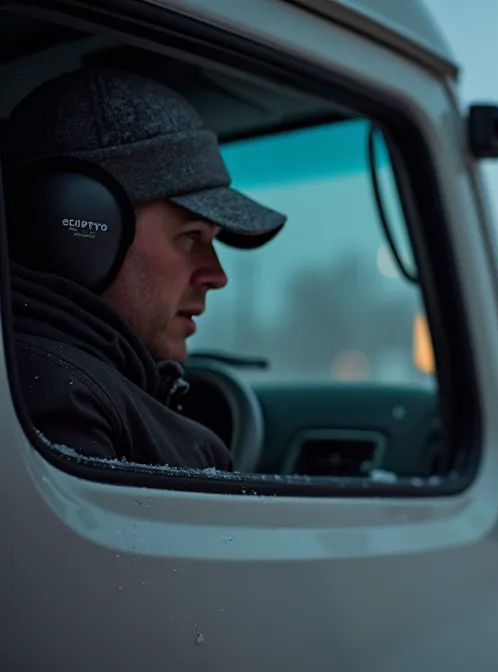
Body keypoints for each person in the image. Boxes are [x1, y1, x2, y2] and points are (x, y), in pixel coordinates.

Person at [2, 68, 286, 470]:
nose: (217, 276)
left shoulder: (73, 383)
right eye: (191, 236)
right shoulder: (59, 401)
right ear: (77, 229)